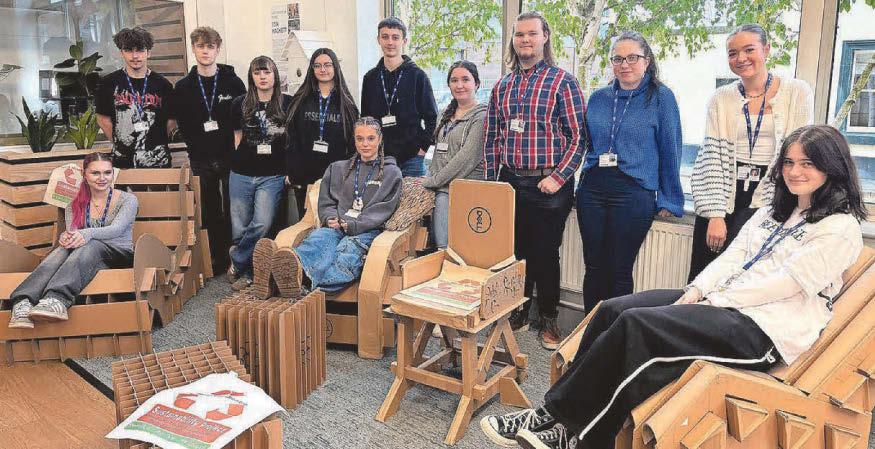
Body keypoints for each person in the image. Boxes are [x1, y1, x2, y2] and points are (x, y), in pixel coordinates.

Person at [481, 124, 866, 449]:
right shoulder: (772, 211)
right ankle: (551, 414)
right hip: (722, 302)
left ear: (832, 169)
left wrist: (716, 301)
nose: (794, 172)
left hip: (763, 332)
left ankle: (569, 430)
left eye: (807, 164)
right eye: (789, 162)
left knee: (639, 328)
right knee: (615, 308)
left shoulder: (840, 228)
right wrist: (698, 291)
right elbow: (732, 259)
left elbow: (784, 285)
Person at [484, 11, 586, 349]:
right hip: (511, 182)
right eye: (519, 35)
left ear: (544, 38)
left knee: (544, 253)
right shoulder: (502, 86)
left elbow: (578, 138)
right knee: (515, 252)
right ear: (513, 40)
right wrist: (492, 182)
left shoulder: (562, 82)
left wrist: (558, 178)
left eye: (531, 34)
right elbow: (493, 138)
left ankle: (550, 318)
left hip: (549, 185)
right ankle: (520, 309)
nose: (525, 40)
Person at [689, 23, 814, 281]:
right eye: (732, 53)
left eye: (749, 50)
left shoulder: (797, 92)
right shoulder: (720, 98)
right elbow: (711, 157)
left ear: (766, 50)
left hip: (771, 192)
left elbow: (798, 156)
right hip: (723, 190)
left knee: (744, 278)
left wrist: (771, 208)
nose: (741, 58)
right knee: (704, 275)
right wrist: (715, 214)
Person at [576, 32, 683, 313]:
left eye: (632, 58)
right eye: (618, 59)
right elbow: (588, 142)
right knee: (594, 266)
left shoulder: (661, 98)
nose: (625, 64)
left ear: (646, 60)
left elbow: (671, 149)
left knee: (619, 268)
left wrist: (670, 199)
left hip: (634, 192)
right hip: (593, 188)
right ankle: (589, 334)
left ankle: (615, 336)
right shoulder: (599, 98)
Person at [271, 117, 402, 296]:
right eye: (360, 138)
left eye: (371, 138)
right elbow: (327, 201)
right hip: (336, 225)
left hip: (367, 230)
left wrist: (354, 225)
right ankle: (288, 271)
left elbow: (384, 209)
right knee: (318, 240)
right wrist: (330, 217)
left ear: (380, 139)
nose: (365, 144)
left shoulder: (391, 173)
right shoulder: (337, 168)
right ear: (354, 140)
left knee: (347, 252)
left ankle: (305, 286)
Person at [8, 153, 139, 328]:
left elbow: (116, 229)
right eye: (95, 173)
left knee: (91, 244)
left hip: (120, 254)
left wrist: (85, 234)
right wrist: (67, 237)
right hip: (86, 254)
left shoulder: (128, 200)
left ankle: (57, 299)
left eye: (107, 173)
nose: (102, 178)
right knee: (63, 249)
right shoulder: (75, 200)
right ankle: (23, 301)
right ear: (85, 174)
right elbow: (73, 231)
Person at [172, 26, 246, 275]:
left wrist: (237, 151)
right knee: (209, 210)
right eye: (200, 46)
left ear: (218, 49)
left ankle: (235, 257)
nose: (205, 51)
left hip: (230, 156)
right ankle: (215, 257)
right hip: (201, 159)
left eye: (210, 47)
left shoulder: (232, 82)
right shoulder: (183, 87)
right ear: (193, 49)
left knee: (235, 208)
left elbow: (242, 119)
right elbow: (182, 124)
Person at [227, 56, 291, 290]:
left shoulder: (288, 103)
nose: (262, 77)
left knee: (262, 223)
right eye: (257, 73)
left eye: (267, 72)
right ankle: (251, 274)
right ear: (251, 77)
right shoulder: (239, 104)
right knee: (240, 226)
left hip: (272, 174)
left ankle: (237, 260)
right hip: (241, 172)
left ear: (275, 75)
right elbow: (237, 138)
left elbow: (292, 141)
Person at [285, 48, 359, 218]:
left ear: (335, 68)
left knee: (332, 221)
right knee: (307, 221)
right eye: (317, 66)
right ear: (312, 69)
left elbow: (352, 142)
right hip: (305, 175)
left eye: (327, 65)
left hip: (336, 175)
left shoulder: (346, 103)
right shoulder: (300, 100)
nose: (323, 70)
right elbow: (291, 138)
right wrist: (292, 170)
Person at [361, 16, 438, 177]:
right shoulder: (370, 78)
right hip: (379, 158)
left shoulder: (418, 76)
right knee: (381, 202)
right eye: (385, 37)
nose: (390, 42)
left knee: (413, 203)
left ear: (404, 41)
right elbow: (366, 119)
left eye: (395, 37)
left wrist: (422, 148)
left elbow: (432, 118)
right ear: (378, 40)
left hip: (412, 158)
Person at [422, 61, 487, 249]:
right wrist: (430, 178)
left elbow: (465, 160)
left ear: (477, 84)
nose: (459, 85)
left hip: (463, 192)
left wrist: (431, 181)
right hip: (440, 188)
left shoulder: (482, 117)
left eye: (465, 79)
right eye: (454, 80)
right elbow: (438, 154)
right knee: (435, 249)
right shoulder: (444, 113)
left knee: (449, 250)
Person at [96, 27, 176, 168]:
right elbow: (103, 119)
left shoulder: (163, 85)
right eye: (129, 50)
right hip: (122, 161)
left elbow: (171, 120)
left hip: (158, 160)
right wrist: (120, 142)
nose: (135, 56)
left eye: (140, 50)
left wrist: (156, 138)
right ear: (121, 52)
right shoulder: (108, 83)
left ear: (148, 53)